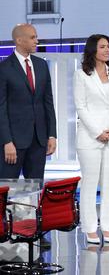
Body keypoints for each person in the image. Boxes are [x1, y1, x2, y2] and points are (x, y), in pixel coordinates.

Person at [73, 34, 109, 244]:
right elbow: (81, 107)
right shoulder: (81, 75)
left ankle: (106, 226)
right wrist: (98, 132)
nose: (107, 50)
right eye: (103, 47)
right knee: (90, 183)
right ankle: (89, 228)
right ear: (93, 49)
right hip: (90, 138)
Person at [0, 24, 56, 179]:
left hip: (39, 142)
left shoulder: (41, 65)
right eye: (33, 37)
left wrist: (52, 135)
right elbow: (1, 108)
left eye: (36, 37)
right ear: (19, 40)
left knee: (36, 190)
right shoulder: (4, 68)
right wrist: (7, 142)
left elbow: (48, 102)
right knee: (7, 190)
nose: (36, 41)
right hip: (13, 143)